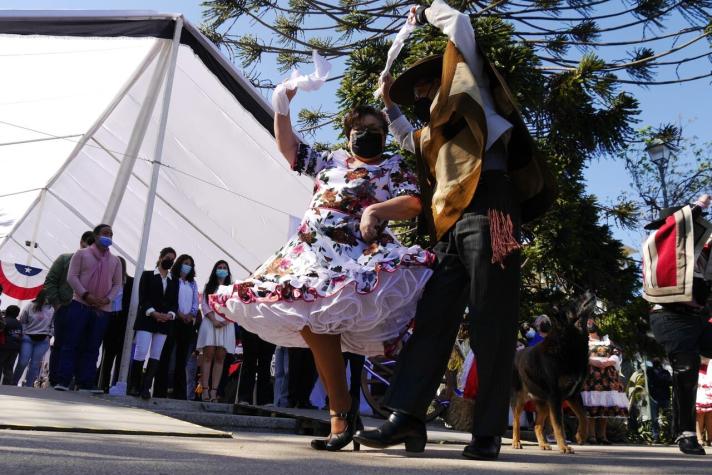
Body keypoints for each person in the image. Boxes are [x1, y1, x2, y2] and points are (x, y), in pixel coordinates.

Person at [355, 0, 554, 460]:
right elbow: (408, 136)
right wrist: (387, 102)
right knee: (432, 320)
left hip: (493, 212)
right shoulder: (433, 134)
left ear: (447, 76)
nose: (421, 91)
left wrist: (426, 10)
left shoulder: (474, 95)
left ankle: (488, 432)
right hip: (450, 226)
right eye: (418, 89)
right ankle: (405, 417)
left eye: (426, 82)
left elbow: (461, 24)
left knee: (492, 323)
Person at [209, 95, 433, 449]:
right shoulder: (332, 162)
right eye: (360, 129)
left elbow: (414, 202)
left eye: (374, 130)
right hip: (310, 254)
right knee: (313, 324)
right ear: (347, 135)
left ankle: (392, 415)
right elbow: (290, 149)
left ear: (385, 136)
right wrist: (281, 107)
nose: (366, 135)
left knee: (328, 326)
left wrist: (374, 210)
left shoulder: (391, 166)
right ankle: (343, 413)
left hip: (356, 256)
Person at [642, 198, 712, 455]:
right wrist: (696, 207)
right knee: (687, 367)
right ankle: (686, 433)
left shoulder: (699, 254)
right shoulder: (658, 248)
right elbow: (673, 231)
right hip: (670, 318)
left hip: (697, 318)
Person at [56, 224, 122, 392]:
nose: (109, 237)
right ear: (96, 235)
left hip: (102, 309)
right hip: (80, 304)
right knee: (71, 342)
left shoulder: (115, 261)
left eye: (111, 234)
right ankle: (63, 380)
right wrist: (86, 295)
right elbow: (72, 277)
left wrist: (107, 299)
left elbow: (117, 284)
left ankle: (85, 382)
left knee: (93, 346)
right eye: (105, 233)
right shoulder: (81, 254)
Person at [45, 230, 95, 387]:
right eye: (88, 244)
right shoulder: (65, 259)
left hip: (86, 309)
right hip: (65, 307)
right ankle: (55, 379)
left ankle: (69, 379)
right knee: (60, 343)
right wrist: (57, 304)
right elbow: (50, 281)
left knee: (79, 346)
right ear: (82, 242)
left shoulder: (97, 265)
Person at [129, 247, 179, 400]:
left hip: (164, 323)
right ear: (161, 257)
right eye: (168, 258)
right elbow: (143, 298)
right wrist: (153, 312)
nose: (170, 261)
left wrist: (169, 315)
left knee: (156, 355)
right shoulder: (148, 275)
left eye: (173, 259)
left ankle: (146, 387)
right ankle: (134, 385)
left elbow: (174, 303)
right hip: (147, 320)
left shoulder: (173, 280)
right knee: (141, 350)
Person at [157, 254, 199, 400]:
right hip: (174, 320)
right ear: (179, 264)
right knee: (168, 355)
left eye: (190, 264)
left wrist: (191, 315)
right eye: (185, 263)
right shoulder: (173, 280)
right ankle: (161, 390)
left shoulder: (193, 283)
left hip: (187, 324)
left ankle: (179, 393)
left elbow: (195, 302)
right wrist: (179, 313)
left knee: (182, 359)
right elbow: (172, 299)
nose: (188, 266)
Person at [581, 319, 629, 444]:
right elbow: (579, 355)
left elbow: (616, 353)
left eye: (592, 323)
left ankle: (602, 436)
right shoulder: (583, 341)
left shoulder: (607, 341)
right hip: (591, 377)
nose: (590, 325)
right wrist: (593, 361)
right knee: (591, 406)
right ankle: (591, 436)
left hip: (607, 377)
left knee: (605, 407)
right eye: (588, 324)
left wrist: (608, 362)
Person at [197, 260, 235, 402]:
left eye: (224, 268)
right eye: (219, 267)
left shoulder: (232, 289)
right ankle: (205, 390)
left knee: (220, 358)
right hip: (210, 323)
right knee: (208, 356)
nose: (222, 270)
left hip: (226, 325)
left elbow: (234, 307)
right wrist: (213, 320)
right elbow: (205, 306)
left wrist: (226, 320)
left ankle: (214, 391)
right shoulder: (209, 287)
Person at [98, 257, 133, 392]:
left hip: (123, 321)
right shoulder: (109, 281)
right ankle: (103, 383)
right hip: (109, 318)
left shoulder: (130, 282)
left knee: (122, 355)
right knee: (108, 353)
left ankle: (118, 384)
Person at [12, 290, 54, 387]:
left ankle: (29, 386)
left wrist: (49, 335)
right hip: (28, 338)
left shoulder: (51, 309)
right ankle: (14, 383)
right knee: (23, 362)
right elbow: (23, 321)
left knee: (35, 365)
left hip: (43, 340)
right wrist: (24, 333)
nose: (48, 299)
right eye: (47, 297)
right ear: (41, 297)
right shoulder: (30, 306)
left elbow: (53, 324)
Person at [647, 357, 672, 443]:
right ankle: (656, 436)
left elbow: (670, 382)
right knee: (654, 419)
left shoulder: (665, 372)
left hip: (664, 397)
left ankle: (669, 436)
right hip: (654, 397)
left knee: (668, 417)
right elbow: (650, 382)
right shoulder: (649, 371)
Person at [0, 305, 22, 384]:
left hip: (3, 347)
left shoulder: (4, 321)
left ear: (7, 311)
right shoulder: (19, 324)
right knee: (9, 368)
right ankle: (7, 386)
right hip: (15, 349)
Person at [696, 357, 712, 445]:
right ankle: (699, 439)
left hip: (710, 392)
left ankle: (710, 439)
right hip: (699, 392)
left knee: (710, 417)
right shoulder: (695, 362)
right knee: (699, 416)